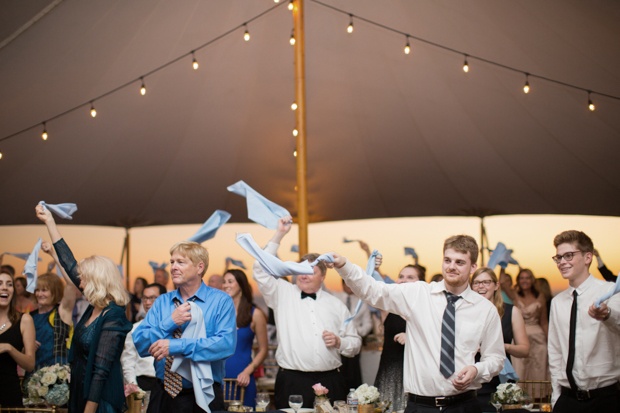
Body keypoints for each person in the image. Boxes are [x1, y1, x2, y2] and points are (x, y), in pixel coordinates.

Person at [333, 234, 505, 413]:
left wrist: (477, 370)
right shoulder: (419, 294)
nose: (451, 267)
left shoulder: (485, 309)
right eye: (447, 260)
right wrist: (344, 266)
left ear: (473, 267)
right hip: (420, 406)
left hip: (464, 405)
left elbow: (496, 358)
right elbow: (374, 291)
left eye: (460, 262)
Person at [253, 216, 362, 409]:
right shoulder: (281, 293)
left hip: (332, 380)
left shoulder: (337, 305)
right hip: (291, 381)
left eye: (310, 270)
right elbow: (260, 270)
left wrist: (339, 342)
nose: (303, 275)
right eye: (300, 269)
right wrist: (279, 234)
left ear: (323, 276)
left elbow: (355, 344)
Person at [37, 204, 133, 413]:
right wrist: (50, 221)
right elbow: (68, 261)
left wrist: (88, 410)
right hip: (81, 392)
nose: (79, 284)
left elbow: (101, 371)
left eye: (84, 280)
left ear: (98, 282)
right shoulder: (93, 308)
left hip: (99, 400)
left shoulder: (113, 315)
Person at [133, 240, 237, 413]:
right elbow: (141, 345)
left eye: (181, 262)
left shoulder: (221, 301)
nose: (173, 267)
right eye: (172, 262)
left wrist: (175, 346)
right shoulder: (161, 303)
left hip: (204, 394)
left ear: (199, 267)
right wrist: (169, 322)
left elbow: (225, 345)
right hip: (163, 394)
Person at [548, 230, 620, 412]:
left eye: (569, 255)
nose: (562, 262)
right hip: (567, 401)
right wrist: (556, 398)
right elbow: (555, 352)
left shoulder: (610, 291)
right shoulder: (557, 302)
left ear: (588, 257)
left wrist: (608, 315)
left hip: (606, 399)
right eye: (558, 257)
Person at [470, 267, 530, 411]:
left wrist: (499, 346)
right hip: (471, 383)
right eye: (476, 283)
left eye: (486, 282)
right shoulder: (464, 313)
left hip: (500, 384)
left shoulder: (511, 312)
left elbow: (525, 350)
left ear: (496, 285)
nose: (481, 286)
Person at [374, 264, 425, 412]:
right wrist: (375, 267)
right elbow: (373, 287)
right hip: (390, 373)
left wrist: (412, 337)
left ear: (420, 283)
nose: (403, 280)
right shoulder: (388, 305)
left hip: (415, 373)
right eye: (401, 277)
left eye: (410, 277)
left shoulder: (426, 309)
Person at [223, 269, 268, 407]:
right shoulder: (219, 313)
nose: (225, 285)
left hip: (242, 377)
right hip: (218, 378)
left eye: (230, 281)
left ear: (241, 285)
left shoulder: (255, 314)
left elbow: (263, 350)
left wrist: (248, 371)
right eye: (224, 282)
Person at [31, 241, 78, 369]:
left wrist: (52, 253)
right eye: (37, 290)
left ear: (55, 291)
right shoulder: (30, 317)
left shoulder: (62, 311)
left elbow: (71, 283)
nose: (39, 294)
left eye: (44, 290)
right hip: (34, 376)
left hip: (59, 377)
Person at [0, 270, 36, 407]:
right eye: (0, 283)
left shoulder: (24, 320)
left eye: (9, 284)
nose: (4, 287)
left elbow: (30, 364)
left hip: (8, 391)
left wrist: (9, 348)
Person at [122, 283, 167, 391]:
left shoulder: (173, 327)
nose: (147, 302)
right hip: (143, 382)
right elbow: (128, 361)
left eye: (152, 298)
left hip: (168, 383)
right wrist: (134, 387)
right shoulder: (135, 329)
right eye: (145, 298)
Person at [510, 268, 549, 382]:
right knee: (521, 369)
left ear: (532, 280)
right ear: (518, 280)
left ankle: (537, 397)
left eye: (527, 278)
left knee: (538, 369)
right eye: (522, 278)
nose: (524, 280)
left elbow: (544, 322)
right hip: (519, 337)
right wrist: (503, 261)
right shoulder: (514, 295)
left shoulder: (540, 297)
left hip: (538, 339)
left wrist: (550, 341)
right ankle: (520, 397)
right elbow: (502, 282)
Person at [333, 279, 373, 390]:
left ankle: (353, 398)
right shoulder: (334, 298)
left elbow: (368, 323)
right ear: (342, 284)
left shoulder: (362, 302)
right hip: (336, 342)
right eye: (347, 283)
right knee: (337, 373)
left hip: (353, 343)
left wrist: (356, 332)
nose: (349, 286)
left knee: (353, 373)